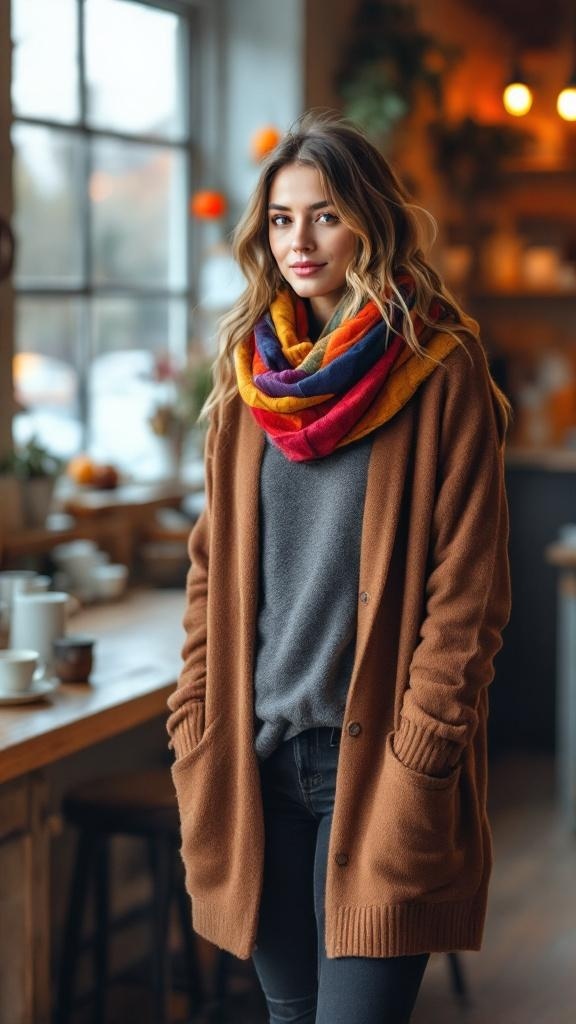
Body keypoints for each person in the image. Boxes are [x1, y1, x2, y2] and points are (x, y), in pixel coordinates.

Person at [166, 110, 511, 1024]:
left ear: (369, 219)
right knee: (290, 1014)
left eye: (324, 215)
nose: (300, 241)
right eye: (282, 219)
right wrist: (195, 720)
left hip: (377, 770)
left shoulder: (441, 365)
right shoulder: (250, 379)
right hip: (253, 761)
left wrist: (422, 753)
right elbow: (210, 572)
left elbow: (467, 594)